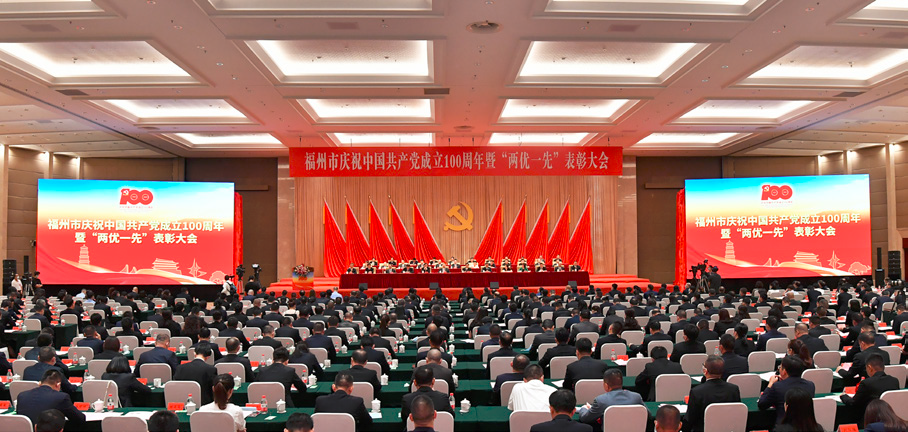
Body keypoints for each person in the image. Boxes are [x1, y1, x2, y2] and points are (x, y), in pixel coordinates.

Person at [684, 355, 741, 432]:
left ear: (705, 371)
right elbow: (736, 413)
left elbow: (690, 418)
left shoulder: (697, 392)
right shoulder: (733, 389)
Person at [14, 370, 85, 425]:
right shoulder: (61, 397)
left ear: (40, 383)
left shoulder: (22, 396)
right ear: (58, 385)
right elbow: (80, 419)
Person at [757, 356, 815, 423]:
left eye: (780, 367)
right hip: (805, 425)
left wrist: (770, 384)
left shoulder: (777, 386)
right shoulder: (810, 385)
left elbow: (762, 404)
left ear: (784, 371)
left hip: (785, 425)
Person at [577, 368, 644, 426]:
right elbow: (647, 415)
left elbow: (585, 418)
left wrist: (584, 408)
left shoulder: (600, 401)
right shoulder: (636, 397)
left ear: (606, 385)